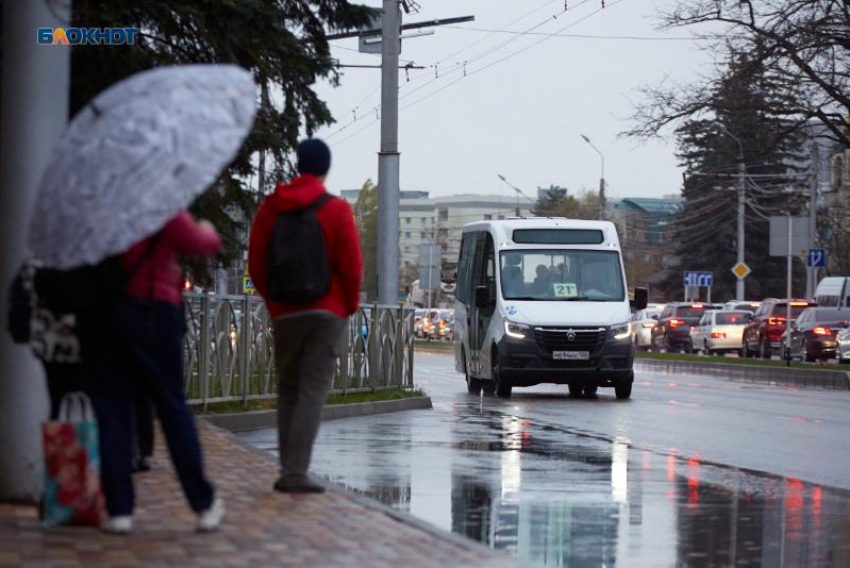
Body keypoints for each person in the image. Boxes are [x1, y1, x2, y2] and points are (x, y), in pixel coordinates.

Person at [92, 210, 224, 534]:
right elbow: (198, 241)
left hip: (112, 313)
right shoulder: (154, 200)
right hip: (157, 310)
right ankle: (203, 503)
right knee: (172, 408)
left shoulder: (104, 206)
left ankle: (119, 509)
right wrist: (206, 226)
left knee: (114, 410)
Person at [248, 139, 362, 494]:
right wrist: (347, 305)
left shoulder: (271, 208)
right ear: (325, 168)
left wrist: (274, 302)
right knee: (313, 389)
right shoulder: (336, 209)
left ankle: (288, 469)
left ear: (298, 164)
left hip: (285, 312)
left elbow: (256, 260)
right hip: (326, 312)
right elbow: (351, 266)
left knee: (288, 388)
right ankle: (295, 473)